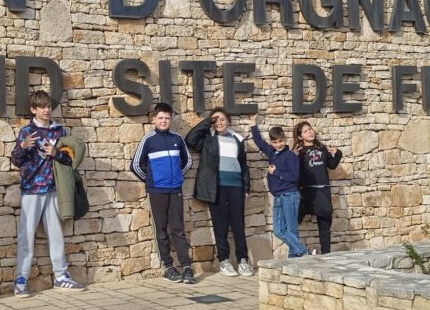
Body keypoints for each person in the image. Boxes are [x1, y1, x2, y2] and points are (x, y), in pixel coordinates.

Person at [10, 90, 85, 297]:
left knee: (56, 235)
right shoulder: (27, 131)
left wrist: (56, 153)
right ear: (33, 109)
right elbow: (16, 160)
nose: (46, 110)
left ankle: (61, 276)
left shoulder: (59, 131)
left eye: (48, 106)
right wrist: (22, 146)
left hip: (53, 189)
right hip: (31, 189)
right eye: (42, 107)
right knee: (26, 236)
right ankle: (21, 280)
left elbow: (70, 159)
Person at [131, 102, 195, 284]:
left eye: (167, 118)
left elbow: (188, 162)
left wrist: (177, 177)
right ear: (154, 119)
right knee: (161, 230)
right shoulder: (148, 139)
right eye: (160, 118)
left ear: (171, 119)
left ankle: (187, 266)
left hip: (175, 190)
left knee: (178, 229)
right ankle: (168, 267)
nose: (164, 121)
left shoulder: (177, 139)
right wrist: (152, 180)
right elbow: (135, 165)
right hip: (157, 191)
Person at [186, 107, 252, 276]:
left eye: (222, 119)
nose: (219, 122)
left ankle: (243, 260)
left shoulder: (237, 139)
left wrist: (246, 186)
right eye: (216, 120)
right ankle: (224, 261)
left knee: (238, 224)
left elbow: (243, 165)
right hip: (216, 188)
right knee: (220, 224)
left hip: (236, 187)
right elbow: (191, 138)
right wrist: (208, 122)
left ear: (228, 121)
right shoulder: (208, 139)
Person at [249, 119, 309, 258]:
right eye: (275, 142)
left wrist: (275, 172)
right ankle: (302, 251)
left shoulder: (291, 155)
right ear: (272, 142)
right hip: (278, 197)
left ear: (285, 139)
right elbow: (260, 143)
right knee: (278, 231)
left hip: (290, 195)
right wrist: (253, 124)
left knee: (291, 230)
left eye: (281, 141)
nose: (278, 145)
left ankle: (296, 258)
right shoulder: (272, 153)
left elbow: (294, 177)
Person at [292, 120, 342, 254]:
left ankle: (326, 255)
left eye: (310, 129)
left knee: (325, 224)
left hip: (325, 188)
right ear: (300, 136)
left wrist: (338, 154)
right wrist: (293, 156)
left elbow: (332, 165)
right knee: (327, 210)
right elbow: (294, 171)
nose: (310, 132)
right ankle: (305, 206)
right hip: (310, 189)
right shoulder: (300, 152)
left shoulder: (322, 148)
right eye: (305, 131)